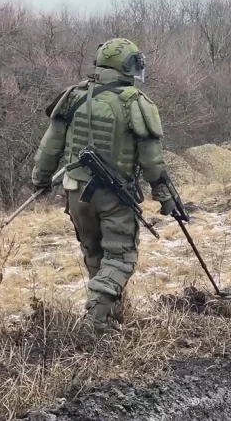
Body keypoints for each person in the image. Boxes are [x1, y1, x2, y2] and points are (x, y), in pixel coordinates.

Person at [31, 38, 175, 333]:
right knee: (120, 257)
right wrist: (164, 196)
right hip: (113, 195)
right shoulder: (136, 102)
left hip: (75, 193)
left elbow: (50, 147)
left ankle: (111, 317)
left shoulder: (74, 96)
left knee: (95, 254)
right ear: (127, 66)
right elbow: (152, 161)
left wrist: (40, 180)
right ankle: (95, 321)